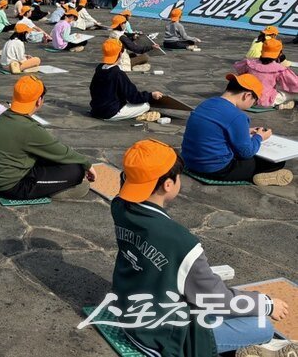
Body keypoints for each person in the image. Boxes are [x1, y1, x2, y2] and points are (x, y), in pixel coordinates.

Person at [109, 139, 295, 357]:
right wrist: (266, 304)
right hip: (162, 337)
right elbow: (216, 300)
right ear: (169, 184)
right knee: (261, 326)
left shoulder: (119, 206)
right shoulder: (181, 242)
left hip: (126, 313)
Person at [0, 75, 94, 200]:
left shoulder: (4, 116)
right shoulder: (29, 128)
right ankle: (53, 191)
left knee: (47, 156)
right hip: (11, 186)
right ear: (39, 100)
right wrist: (87, 165)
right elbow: (61, 152)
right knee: (76, 171)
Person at [181, 73, 292, 186]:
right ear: (247, 95)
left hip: (190, 163)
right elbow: (246, 153)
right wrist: (259, 137)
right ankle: (261, 176)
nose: (252, 104)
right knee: (275, 163)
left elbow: (215, 129)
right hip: (216, 169)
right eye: (255, 101)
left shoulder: (206, 103)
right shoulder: (238, 116)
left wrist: (245, 130)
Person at [89, 39, 163, 122]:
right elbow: (133, 97)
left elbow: (92, 88)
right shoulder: (118, 73)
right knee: (146, 105)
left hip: (96, 110)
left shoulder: (100, 68)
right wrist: (150, 95)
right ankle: (138, 115)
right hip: (110, 112)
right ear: (120, 54)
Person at [234, 38, 298, 110]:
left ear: (262, 51)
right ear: (280, 53)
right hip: (265, 101)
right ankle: (283, 105)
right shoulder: (280, 69)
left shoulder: (249, 63)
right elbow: (295, 84)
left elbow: (238, 68)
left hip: (246, 98)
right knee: (294, 94)